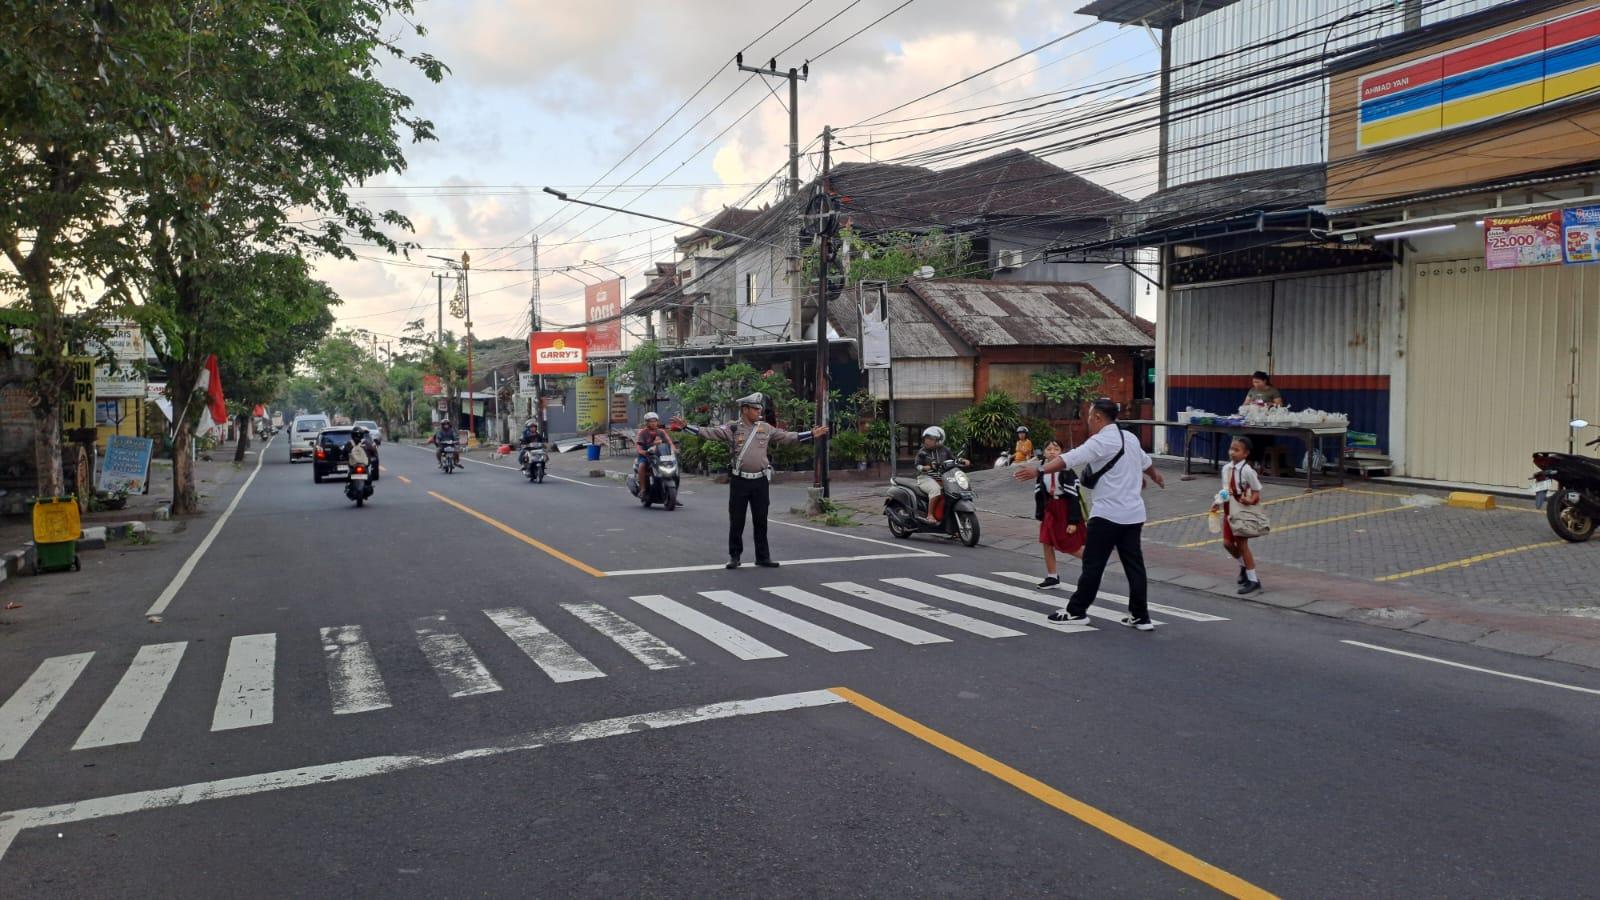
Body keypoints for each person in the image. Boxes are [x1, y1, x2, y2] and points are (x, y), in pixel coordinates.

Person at [1013, 398, 1165, 631]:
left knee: (1093, 565)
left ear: (1097, 418)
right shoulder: (1130, 438)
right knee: (1135, 566)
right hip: (1133, 515)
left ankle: (1077, 611)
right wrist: (1155, 477)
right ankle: (1140, 616)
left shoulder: (1100, 441)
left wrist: (1039, 469)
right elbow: (1146, 463)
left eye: (1089, 416)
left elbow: (1068, 459)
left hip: (1106, 516)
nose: (1088, 420)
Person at [672, 393, 827, 569]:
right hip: (740, 481)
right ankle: (735, 556)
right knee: (737, 520)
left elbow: (786, 437)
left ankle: (763, 557)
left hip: (760, 481)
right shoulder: (732, 428)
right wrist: (687, 427)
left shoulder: (765, 428)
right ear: (744, 410)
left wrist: (811, 434)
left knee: (760, 520)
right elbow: (710, 432)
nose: (759, 412)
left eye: (759, 408)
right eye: (755, 409)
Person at [1216, 436, 1265, 595]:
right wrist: (1217, 501)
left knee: (1243, 546)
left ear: (1245, 454)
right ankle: (1244, 566)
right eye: (1231, 449)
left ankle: (1253, 580)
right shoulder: (1226, 469)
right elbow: (1225, 490)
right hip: (1228, 510)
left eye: (1236, 450)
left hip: (1242, 512)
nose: (1232, 453)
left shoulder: (1248, 471)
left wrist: (1249, 500)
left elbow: (1257, 492)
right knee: (1227, 544)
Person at [1035, 440, 1085, 588]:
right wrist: (1040, 513)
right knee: (1046, 541)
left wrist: (1073, 521)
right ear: (1044, 452)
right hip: (1050, 509)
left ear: (1061, 453)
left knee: (1068, 544)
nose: (1052, 451)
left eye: (1056, 449)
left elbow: (1073, 496)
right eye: (1048, 449)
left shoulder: (1066, 470)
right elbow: (1039, 493)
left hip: (1064, 508)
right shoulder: (1041, 470)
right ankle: (1052, 576)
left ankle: (1094, 562)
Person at [914, 427, 967, 523]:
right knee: (936, 490)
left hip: (943, 477)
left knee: (955, 492)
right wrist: (924, 468)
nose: (927, 441)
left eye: (931, 439)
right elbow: (917, 465)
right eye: (926, 439)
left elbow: (953, 459)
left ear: (939, 441)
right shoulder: (922, 452)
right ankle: (929, 515)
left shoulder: (945, 450)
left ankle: (952, 523)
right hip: (925, 478)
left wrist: (962, 461)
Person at [634, 412, 675, 498]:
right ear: (647, 422)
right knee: (642, 466)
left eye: (655, 421)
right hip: (646, 456)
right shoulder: (642, 433)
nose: (653, 423)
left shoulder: (661, 432)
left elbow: (669, 442)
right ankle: (643, 489)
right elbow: (638, 446)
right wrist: (642, 451)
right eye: (650, 421)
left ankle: (674, 494)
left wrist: (674, 449)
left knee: (674, 467)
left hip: (660, 456)